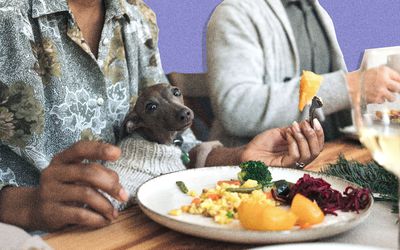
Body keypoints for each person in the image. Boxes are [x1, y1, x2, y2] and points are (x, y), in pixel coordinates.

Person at [0, 0, 324, 232]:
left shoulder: (137, 15)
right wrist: (24, 205)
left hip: (136, 231)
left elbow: (176, 147)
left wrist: (240, 157)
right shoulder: (7, 18)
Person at [207, 0, 400, 147]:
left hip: (332, 155)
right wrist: (349, 86)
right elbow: (237, 109)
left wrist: (369, 96)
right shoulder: (234, 13)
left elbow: (336, 100)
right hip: (262, 175)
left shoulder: (319, 12)